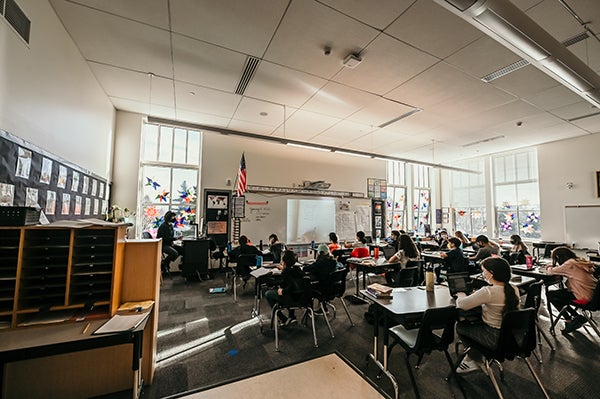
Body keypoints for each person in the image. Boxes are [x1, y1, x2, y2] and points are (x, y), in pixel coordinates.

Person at [455, 257, 520, 373]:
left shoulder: (488, 291)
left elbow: (462, 305)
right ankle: (475, 356)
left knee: (461, 327)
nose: (483, 274)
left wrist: (461, 295)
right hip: (513, 337)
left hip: (493, 338)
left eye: (484, 271)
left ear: (491, 274)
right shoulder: (514, 289)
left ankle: (476, 359)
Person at [545, 246, 597, 333]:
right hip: (593, 295)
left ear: (558, 257)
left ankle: (570, 319)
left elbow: (551, 271)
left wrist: (548, 267)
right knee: (559, 295)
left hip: (583, 297)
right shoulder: (578, 261)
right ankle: (576, 317)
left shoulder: (570, 264)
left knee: (551, 295)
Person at [264, 250, 305, 327]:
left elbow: (286, 285)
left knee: (268, 294)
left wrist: (282, 291)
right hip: (302, 299)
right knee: (292, 292)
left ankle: (283, 318)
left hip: (289, 299)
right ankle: (292, 316)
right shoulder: (298, 270)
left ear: (284, 261)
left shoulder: (285, 272)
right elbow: (292, 282)